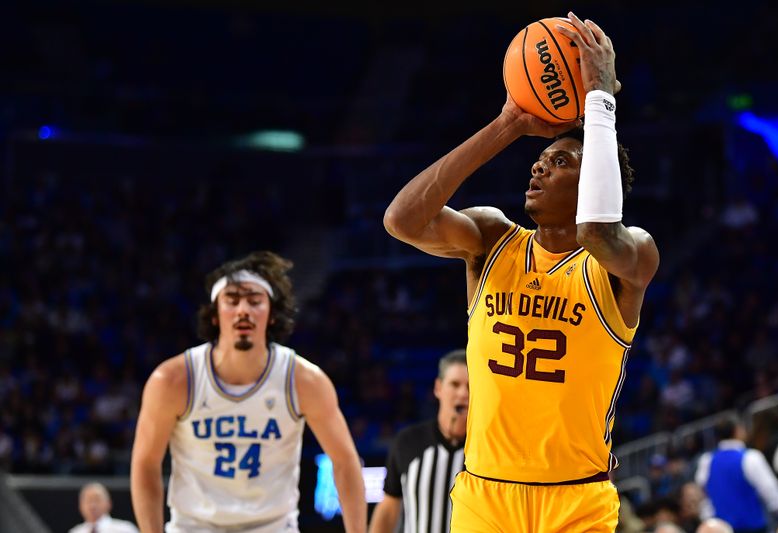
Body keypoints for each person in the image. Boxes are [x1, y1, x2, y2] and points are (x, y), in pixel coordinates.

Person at [383, 11, 659, 532]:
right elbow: (401, 220)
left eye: (560, 163)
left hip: (575, 501)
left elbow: (597, 232)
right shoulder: (491, 238)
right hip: (485, 495)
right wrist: (509, 124)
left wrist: (601, 101)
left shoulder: (630, 256)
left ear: (593, 181)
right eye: (541, 158)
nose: (538, 165)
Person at [131, 251, 366, 533]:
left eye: (255, 301)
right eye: (232, 301)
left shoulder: (304, 380)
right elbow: (146, 464)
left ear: (272, 316)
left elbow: (345, 462)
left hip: (273, 526)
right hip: (195, 526)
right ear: (215, 315)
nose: (243, 310)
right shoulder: (172, 379)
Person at [368, 349, 469, 533]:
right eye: (455, 384)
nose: (463, 393)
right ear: (438, 388)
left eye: (470, 387)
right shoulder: (408, 442)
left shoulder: (486, 450)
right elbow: (389, 509)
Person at [695, 417, 778, 533]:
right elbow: (770, 491)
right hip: (753, 528)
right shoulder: (750, 457)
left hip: (723, 528)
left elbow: (704, 495)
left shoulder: (706, 461)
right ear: (738, 430)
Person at [68, 482, 138, 533]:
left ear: (109, 503)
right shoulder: (75, 531)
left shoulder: (125, 529)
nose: (92, 506)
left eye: (97, 500)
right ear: (80, 506)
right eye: (88, 501)